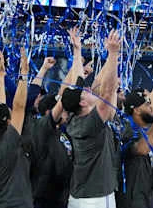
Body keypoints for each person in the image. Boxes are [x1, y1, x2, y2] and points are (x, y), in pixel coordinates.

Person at [56, 27, 122, 208]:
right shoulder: (91, 123)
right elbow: (108, 91)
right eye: (84, 91)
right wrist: (113, 54)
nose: (87, 88)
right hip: (97, 199)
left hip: (78, 196)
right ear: (83, 103)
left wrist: (77, 51)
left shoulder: (72, 119)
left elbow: (73, 86)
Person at [0, 48, 32, 207]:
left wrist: (0, 76)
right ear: (8, 122)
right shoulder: (8, 142)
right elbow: (19, 107)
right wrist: (23, 74)